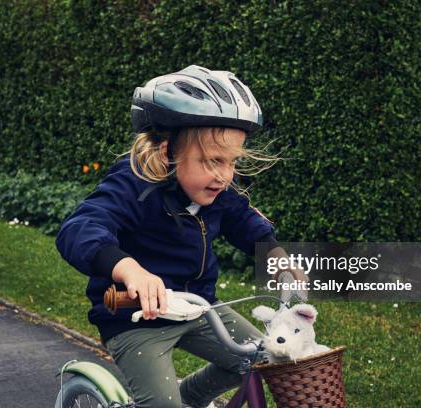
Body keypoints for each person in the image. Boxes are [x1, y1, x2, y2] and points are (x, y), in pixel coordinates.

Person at [56, 65, 303, 408]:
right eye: (212, 160)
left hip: (199, 308)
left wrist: (273, 253)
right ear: (166, 152)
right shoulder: (133, 185)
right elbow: (79, 228)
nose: (224, 176)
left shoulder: (216, 191)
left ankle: (191, 397)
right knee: (161, 403)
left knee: (265, 358)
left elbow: (242, 217)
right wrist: (129, 269)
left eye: (231, 162)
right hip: (136, 318)